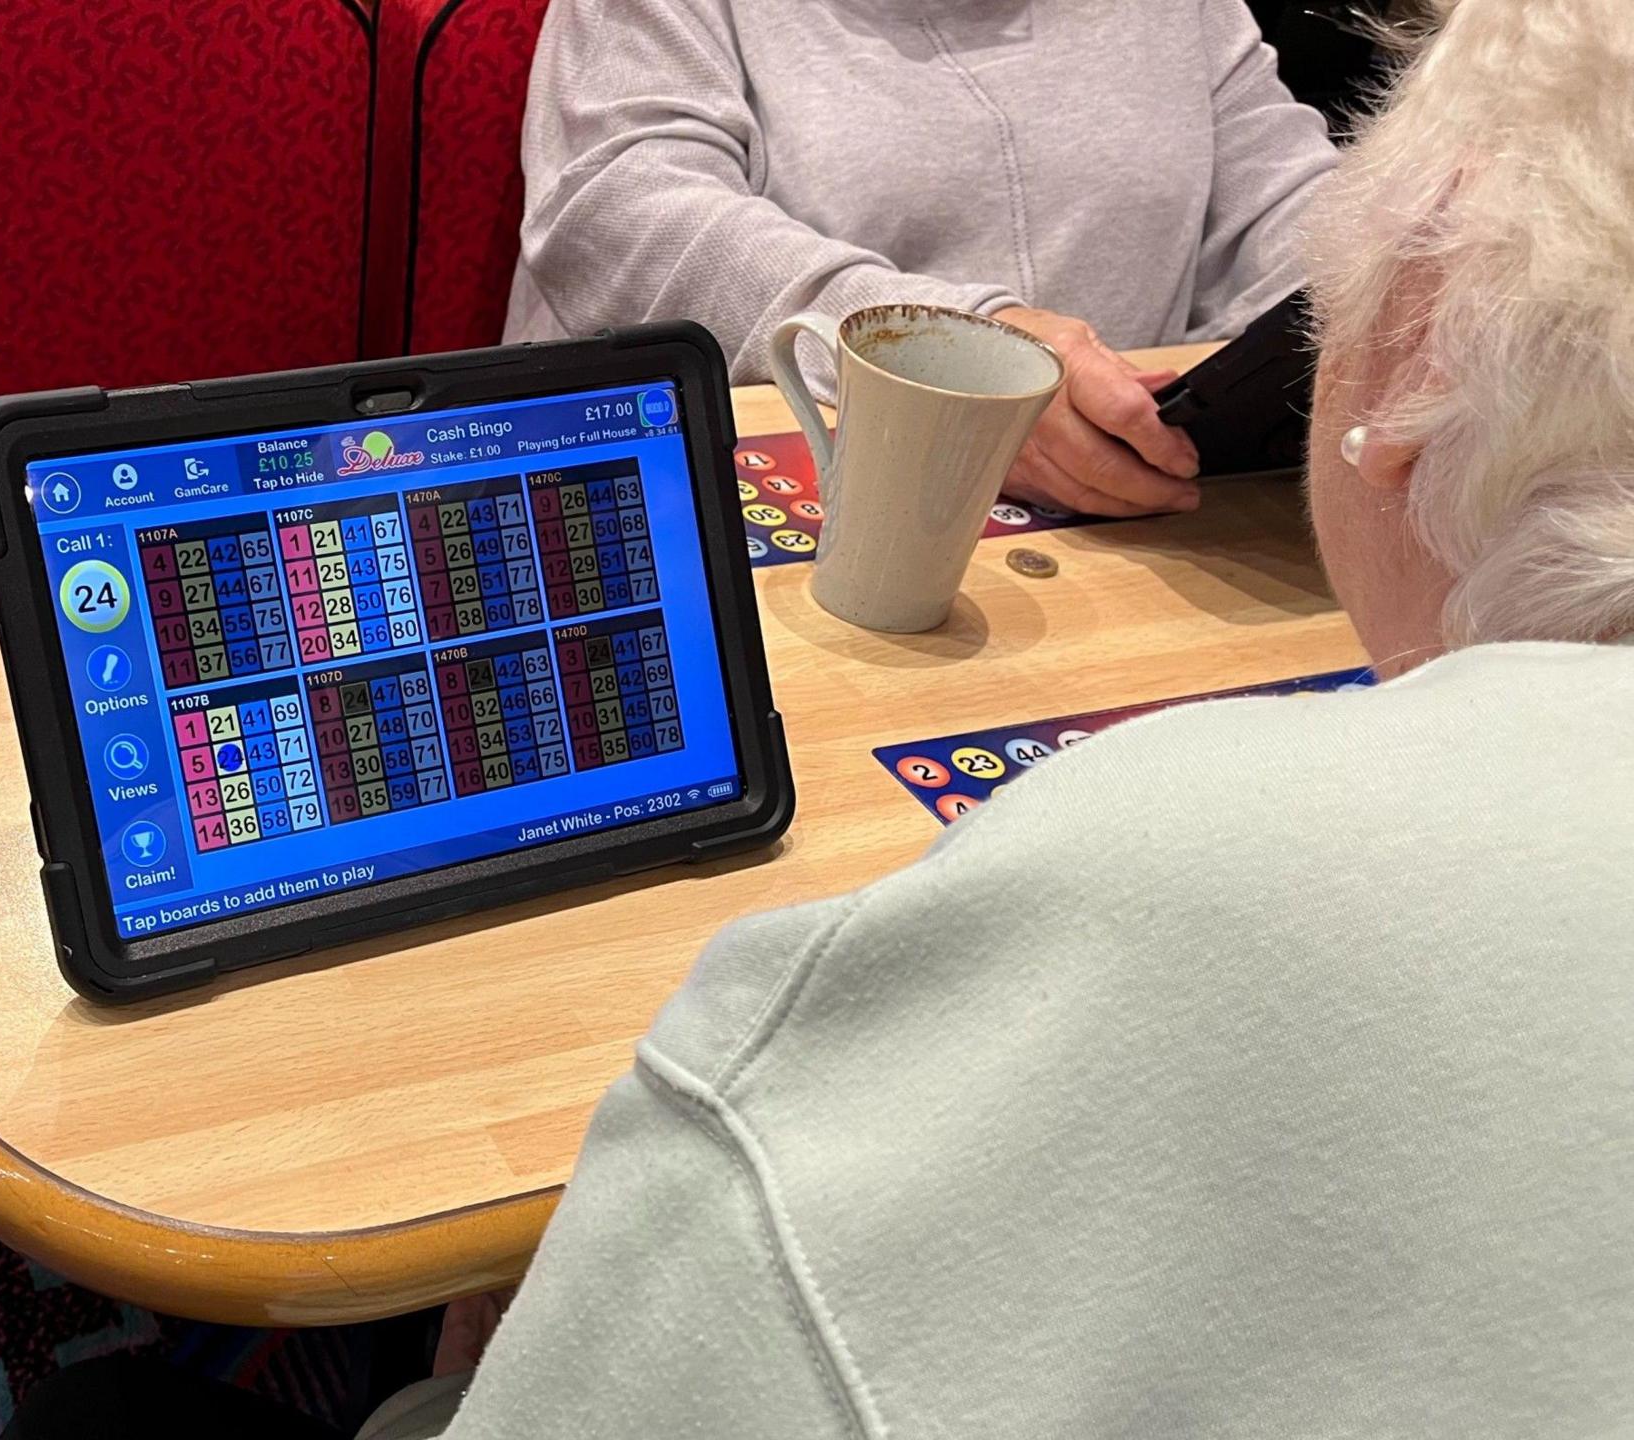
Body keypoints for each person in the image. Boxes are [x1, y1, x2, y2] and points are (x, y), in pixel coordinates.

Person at [349, 0, 1634, 1433]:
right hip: (748, 595)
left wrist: (1262, 357)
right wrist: (961, 344)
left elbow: (1308, 222)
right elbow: (624, 217)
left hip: (1122, 593)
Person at [505, 0, 1340, 517]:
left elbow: (1295, 209)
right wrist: (955, 360)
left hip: (1147, 530)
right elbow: (620, 216)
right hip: (758, 527)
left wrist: (1392, 283)